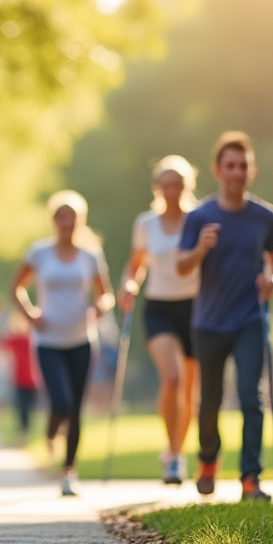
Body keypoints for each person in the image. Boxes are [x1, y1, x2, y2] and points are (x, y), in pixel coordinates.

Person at [177, 131, 273, 502]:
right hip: (208, 322)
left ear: (251, 171)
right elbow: (180, 267)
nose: (237, 172)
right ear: (218, 170)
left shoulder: (265, 216)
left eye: (243, 166)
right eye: (231, 166)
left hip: (249, 319)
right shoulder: (200, 216)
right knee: (210, 400)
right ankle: (208, 460)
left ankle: (250, 479)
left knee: (251, 398)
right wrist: (200, 249)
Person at [11, 190, 114, 497]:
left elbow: (105, 294)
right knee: (61, 403)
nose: (68, 222)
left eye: (73, 217)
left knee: (76, 408)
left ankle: (69, 471)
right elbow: (17, 287)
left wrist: (100, 308)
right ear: (54, 221)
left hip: (82, 339)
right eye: (62, 217)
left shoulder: (90, 256)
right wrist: (30, 314)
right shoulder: (39, 253)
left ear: (81, 221)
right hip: (48, 340)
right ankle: (51, 430)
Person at [117, 155, 200, 485]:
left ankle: (177, 450)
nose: (172, 191)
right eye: (166, 185)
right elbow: (135, 265)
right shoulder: (146, 223)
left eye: (178, 185)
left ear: (187, 186)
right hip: (160, 307)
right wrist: (129, 284)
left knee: (191, 390)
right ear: (157, 188)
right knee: (173, 378)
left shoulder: (198, 219)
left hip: (196, 307)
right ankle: (174, 456)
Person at [0, 312, 39, 440]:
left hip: (33, 380)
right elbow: (0, 345)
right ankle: (23, 430)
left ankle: (26, 430)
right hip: (19, 379)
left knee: (30, 407)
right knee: (21, 407)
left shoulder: (32, 338)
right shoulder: (14, 340)